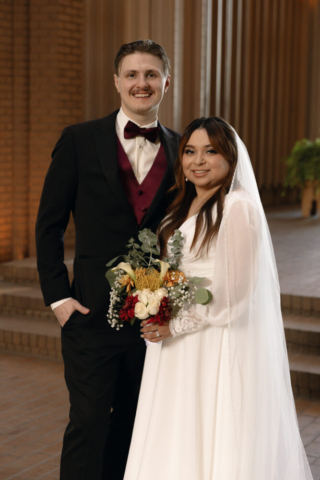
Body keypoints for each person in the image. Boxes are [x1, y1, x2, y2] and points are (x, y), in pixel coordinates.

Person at [124, 117, 313, 480]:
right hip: (174, 345)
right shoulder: (183, 204)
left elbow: (234, 295)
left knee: (209, 427)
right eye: (190, 151)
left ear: (230, 157)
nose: (199, 160)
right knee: (176, 429)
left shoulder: (237, 207)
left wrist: (173, 324)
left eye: (210, 151)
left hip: (211, 340)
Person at [35, 40, 180, 480]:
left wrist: (173, 304)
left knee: (134, 427)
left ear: (166, 83)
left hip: (150, 319)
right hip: (89, 315)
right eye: (133, 75)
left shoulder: (181, 150)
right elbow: (49, 224)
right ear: (116, 81)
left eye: (151, 75)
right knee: (89, 423)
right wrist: (59, 299)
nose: (142, 83)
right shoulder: (79, 140)